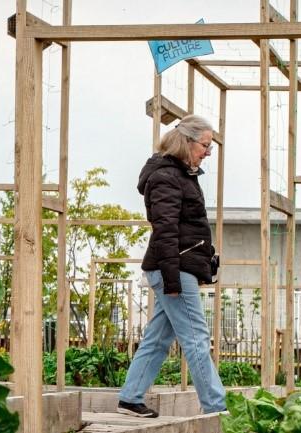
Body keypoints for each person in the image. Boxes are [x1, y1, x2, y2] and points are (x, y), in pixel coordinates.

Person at [118, 115, 225, 418]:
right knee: (196, 339)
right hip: (172, 269)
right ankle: (216, 409)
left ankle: (130, 397)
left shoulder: (180, 175)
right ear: (187, 141)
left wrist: (206, 259)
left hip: (176, 267)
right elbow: (165, 230)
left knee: (159, 338)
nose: (207, 152)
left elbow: (188, 226)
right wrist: (173, 281)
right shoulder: (166, 177)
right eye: (205, 145)